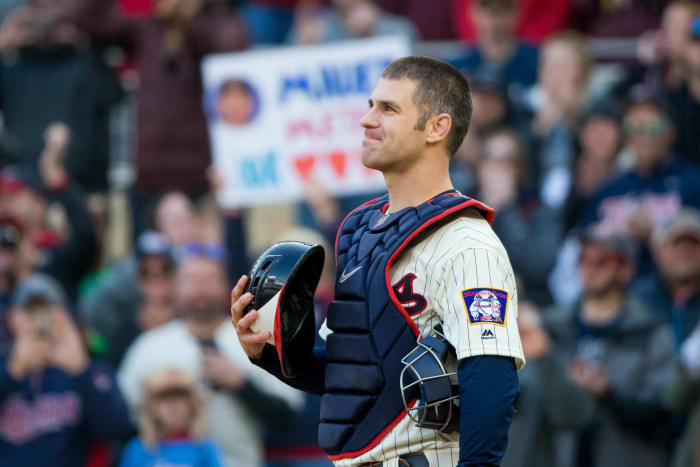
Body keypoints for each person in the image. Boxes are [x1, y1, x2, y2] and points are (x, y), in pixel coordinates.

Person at [232, 56, 524, 466]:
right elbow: (352, 375)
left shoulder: (466, 242)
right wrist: (267, 352)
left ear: (437, 128)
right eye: (371, 105)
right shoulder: (363, 232)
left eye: (388, 109)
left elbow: (492, 380)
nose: (367, 120)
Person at [118, 251, 302, 467]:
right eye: (192, 279)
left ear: (228, 286)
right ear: (176, 287)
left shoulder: (255, 338)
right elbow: (123, 418)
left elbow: (288, 416)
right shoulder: (150, 347)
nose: (201, 287)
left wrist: (241, 384)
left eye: (209, 279)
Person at [543, 226, 675, 467]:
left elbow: (665, 411)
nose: (589, 268)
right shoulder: (550, 327)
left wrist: (609, 394)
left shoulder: (651, 331)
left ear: (627, 269)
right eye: (583, 258)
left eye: (602, 260)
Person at [0, 274, 133, 467]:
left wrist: (80, 370)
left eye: (45, 310)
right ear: (12, 318)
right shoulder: (5, 365)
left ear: (64, 315)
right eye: (30, 311)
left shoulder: (88, 367)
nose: (38, 320)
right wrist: (13, 371)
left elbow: (118, 429)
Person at [119, 367, 223, 467]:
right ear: (151, 406)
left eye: (179, 398)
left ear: (192, 404)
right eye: (164, 398)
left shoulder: (204, 449)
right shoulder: (138, 449)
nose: (172, 405)